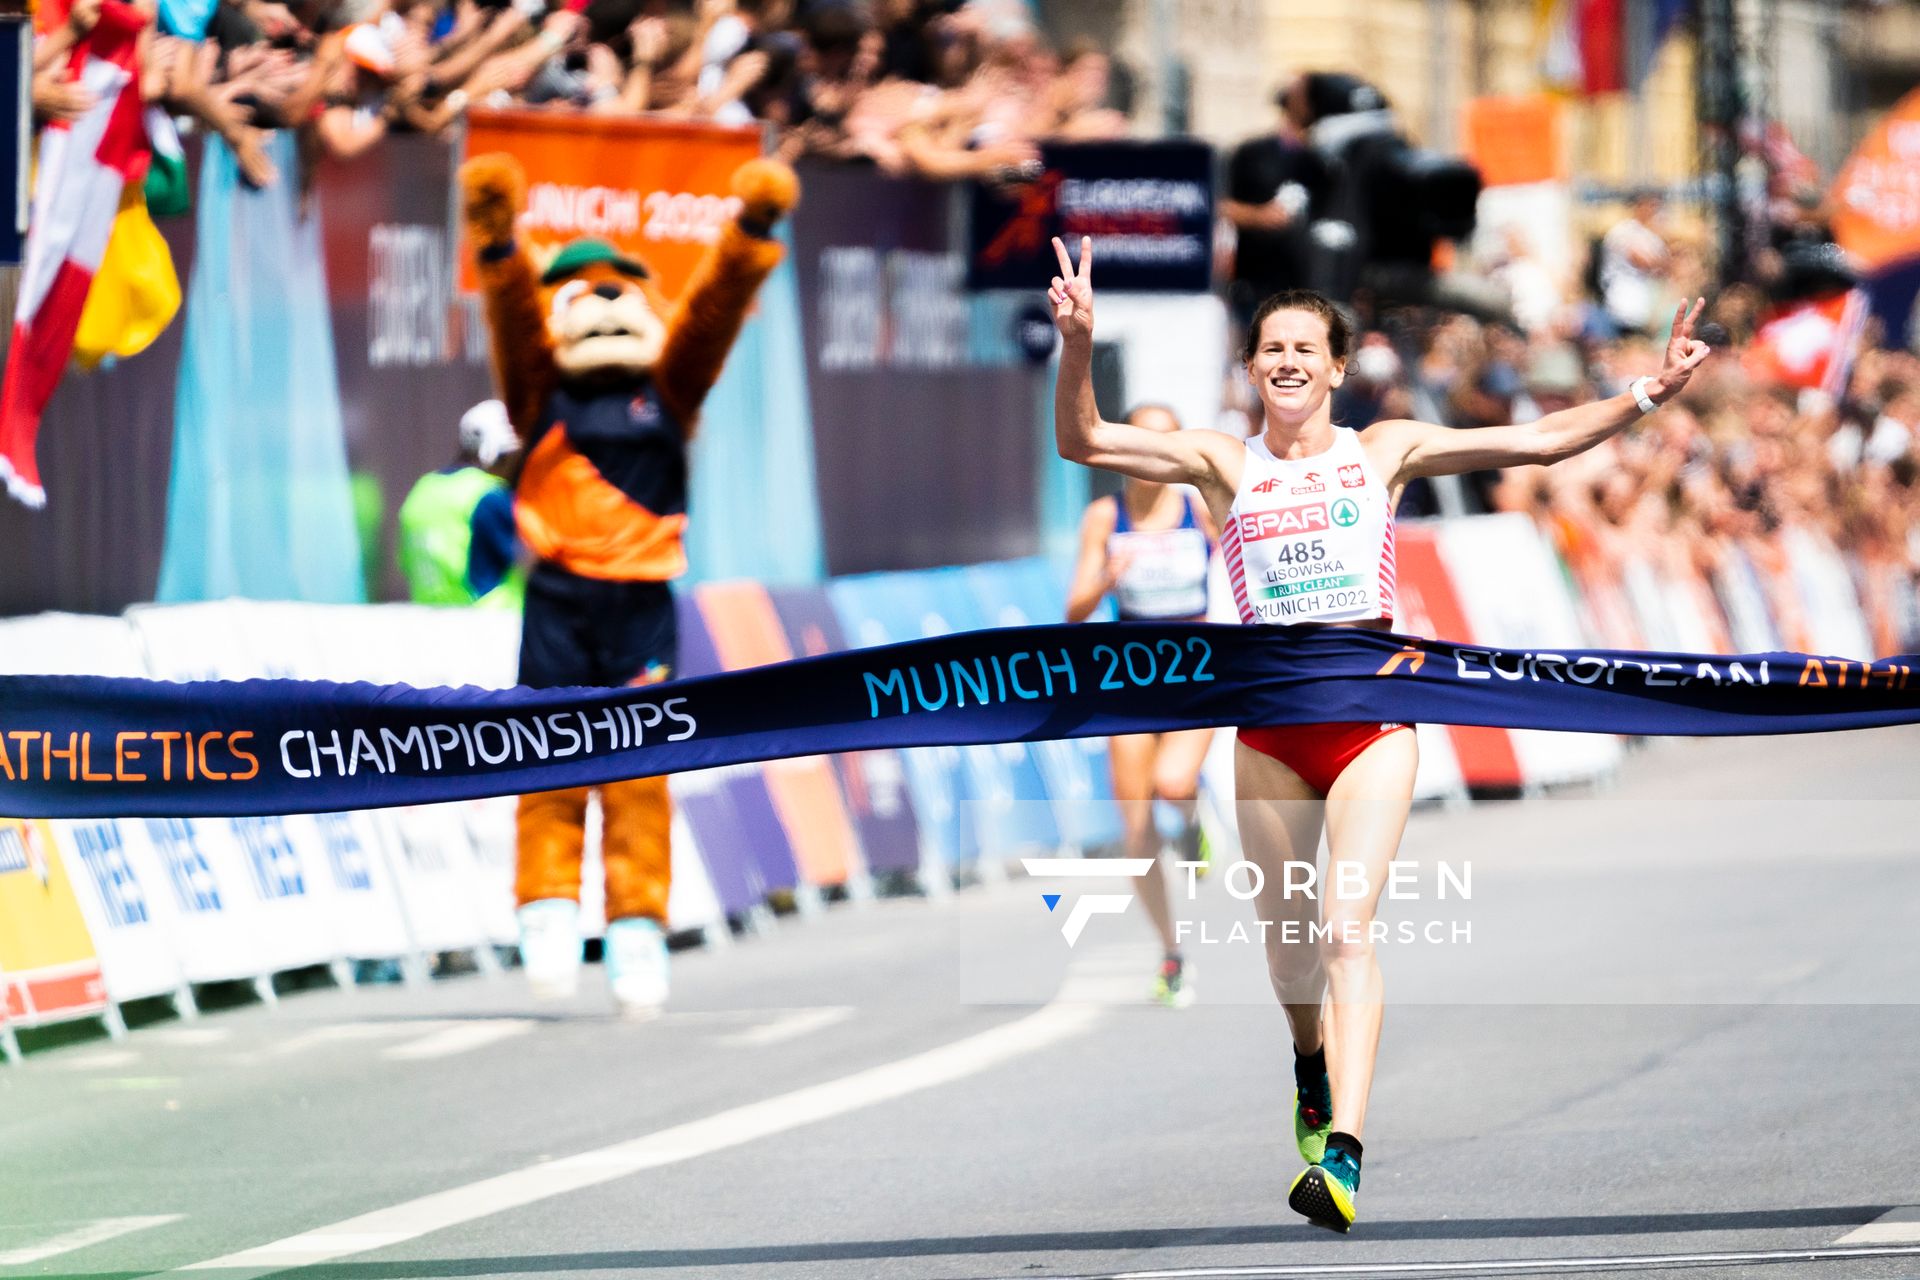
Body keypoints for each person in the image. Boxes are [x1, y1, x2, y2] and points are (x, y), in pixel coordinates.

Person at [1048, 234, 1711, 1232]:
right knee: (1287, 961)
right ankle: (1309, 1061)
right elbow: (1085, 441)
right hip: (1270, 730)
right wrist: (1076, 345)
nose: (1286, 362)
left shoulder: (1384, 448)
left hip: (1371, 722)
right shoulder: (1221, 462)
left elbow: (1536, 442)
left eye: (1304, 348)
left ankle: (1345, 1154)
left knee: (1347, 930)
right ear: (1252, 366)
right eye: (1271, 347)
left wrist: (1649, 392)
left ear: (1336, 365)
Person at [1063, 404, 1219, 1008]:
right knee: (1136, 826)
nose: (1152, 460)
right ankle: (1171, 952)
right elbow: (1074, 609)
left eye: (1164, 446)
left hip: (1196, 674)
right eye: (1140, 444)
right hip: (1128, 680)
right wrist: (1108, 576)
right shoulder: (1106, 515)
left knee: (1174, 781)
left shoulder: (1197, 506)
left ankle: (1198, 822)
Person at [396, 399, 525, 609]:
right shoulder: (488, 496)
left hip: (429, 626)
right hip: (492, 625)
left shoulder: (421, 491)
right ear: (492, 452)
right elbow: (530, 563)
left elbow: (405, 563)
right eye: (509, 457)